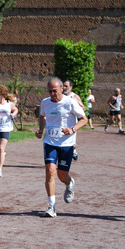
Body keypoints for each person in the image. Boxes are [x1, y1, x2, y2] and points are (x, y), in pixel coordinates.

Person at [35, 77, 87, 218]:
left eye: (55, 91)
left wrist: (72, 129)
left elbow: (84, 119)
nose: (52, 94)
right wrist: (40, 129)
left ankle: (69, 183)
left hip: (67, 144)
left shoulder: (70, 102)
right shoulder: (45, 103)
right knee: (50, 170)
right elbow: (42, 116)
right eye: (50, 91)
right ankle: (51, 207)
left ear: (62, 89)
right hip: (50, 142)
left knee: (61, 175)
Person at [63, 80, 85, 161]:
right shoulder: (60, 96)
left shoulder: (75, 97)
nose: (64, 88)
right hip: (61, 123)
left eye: (66, 86)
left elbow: (83, 108)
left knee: (72, 143)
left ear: (71, 88)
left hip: (72, 124)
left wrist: (79, 107)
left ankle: (74, 151)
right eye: (63, 86)